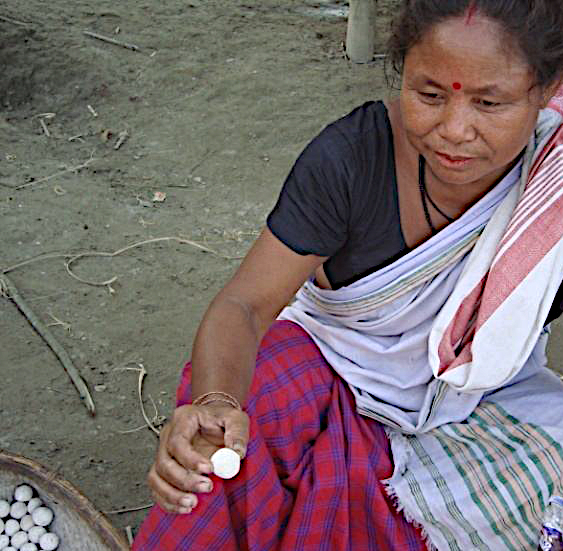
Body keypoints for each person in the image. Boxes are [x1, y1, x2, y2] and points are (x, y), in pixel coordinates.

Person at [132, 1, 563, 549]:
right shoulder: (351, 159)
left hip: (480, 393)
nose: (455, 129)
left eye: (489, 102)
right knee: (235, 427)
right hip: (336, 364)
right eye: (429, 95)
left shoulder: (554, 182)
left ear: (548, 86)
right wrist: (217, 401)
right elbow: (244, 305)